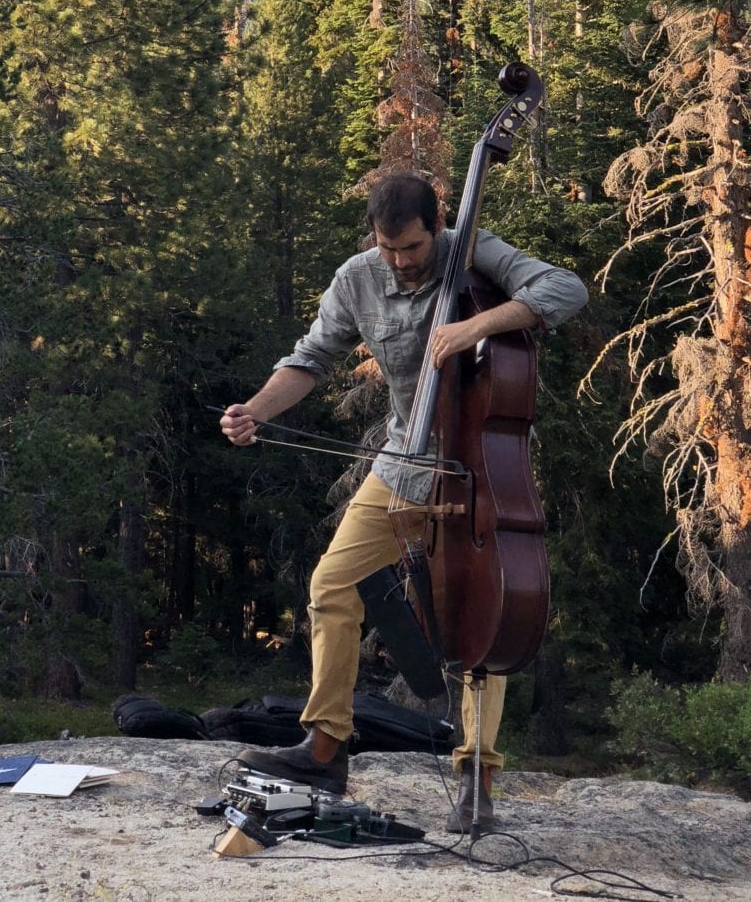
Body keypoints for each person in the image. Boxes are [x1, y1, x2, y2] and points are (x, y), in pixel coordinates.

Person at [220, 173, 588, 832]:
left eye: (413, 247)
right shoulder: (357, 277)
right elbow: (309, 359)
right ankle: (326, 747)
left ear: (438, 224)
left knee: (483, 614)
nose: (401, 260)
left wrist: (480, 322)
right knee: (332, 584)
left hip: (474, 467)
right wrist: (255, 408)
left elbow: (565, 288)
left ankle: (477, 779)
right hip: (404, 459)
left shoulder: (474, 249)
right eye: (389, 247)